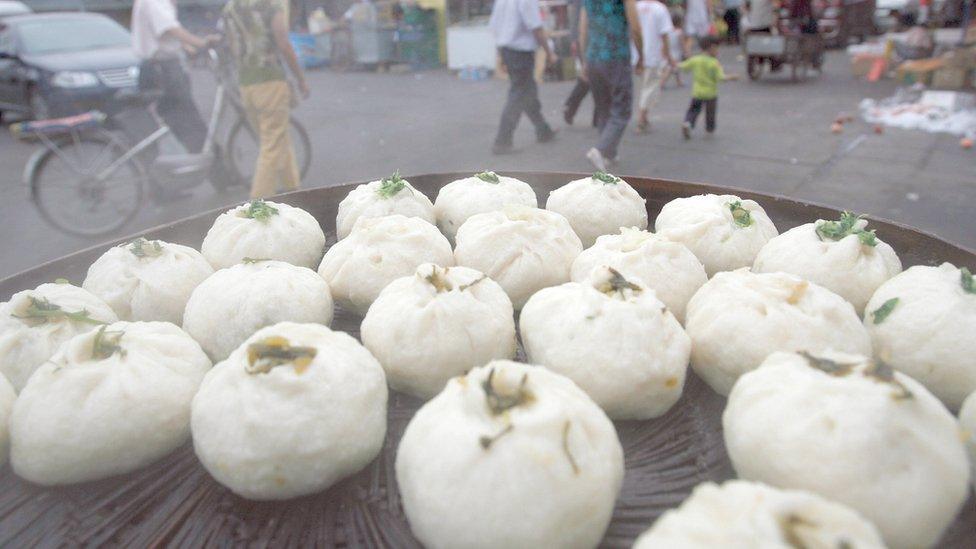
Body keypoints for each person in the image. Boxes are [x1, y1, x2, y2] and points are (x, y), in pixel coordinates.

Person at [222, 0, 310, 199]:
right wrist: (301, 79)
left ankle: (293, 190)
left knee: (277, 137)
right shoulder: (273, 3)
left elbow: (233, 47)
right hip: (270, 80)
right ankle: (258, 203)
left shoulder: (231, 6)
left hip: (246, 83)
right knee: (272, 144)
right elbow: (284, 43)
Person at [131, 0, 216, 155]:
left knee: (181, 121)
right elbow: (168, 27)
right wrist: (201, 43)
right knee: (189, 125)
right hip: (163, 70)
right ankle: (212, 168)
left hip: (160, 67)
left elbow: (160, 32)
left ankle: (203, 162)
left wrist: (186, 47)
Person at [579, 0, 643, 171]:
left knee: (603, 108)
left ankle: (609, 153)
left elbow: (583, 29)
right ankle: (600, 150)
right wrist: (641, 55)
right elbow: (635, 27)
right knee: (622, 109)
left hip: (593, 56)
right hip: (617, 56)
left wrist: (584, 59)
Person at [489, 0, 558, 155]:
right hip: (520, 53)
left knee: (528, 91)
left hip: (508, 50)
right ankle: (502, 141)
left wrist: (501, 54)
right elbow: (536, 27)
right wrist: (549, 52)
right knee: (519, 94)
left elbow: (495, 27)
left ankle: (543, 130)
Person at [680, 36, 737, 139]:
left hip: (697, 92)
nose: (718, 51)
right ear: (712, 48)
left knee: (693, 110)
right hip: (711, 94)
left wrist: (672, 64)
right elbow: (721, 78)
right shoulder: (714, 63)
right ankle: (709, 129)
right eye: (717, 48)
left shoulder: (695, 59)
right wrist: (732, 77)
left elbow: (683, 66)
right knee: (710, 113)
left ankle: (688, 123)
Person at [634, 0, 675, 133]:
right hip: (653, 53)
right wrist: (669, 55)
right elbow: (664, 35)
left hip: (636, 52)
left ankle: (644, 117)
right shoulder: (660, 9)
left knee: (643, 85)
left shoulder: (635, 7)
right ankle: (641, 118)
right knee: (650, 86)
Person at [662, 11, 688, 87]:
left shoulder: (668, 31)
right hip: (676, 51)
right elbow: (682, 43)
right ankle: (662, 82)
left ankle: (679, 81)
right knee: (671, 68)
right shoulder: (679, 32)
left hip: (669, 50)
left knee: (675, 68)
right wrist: (686, 52)